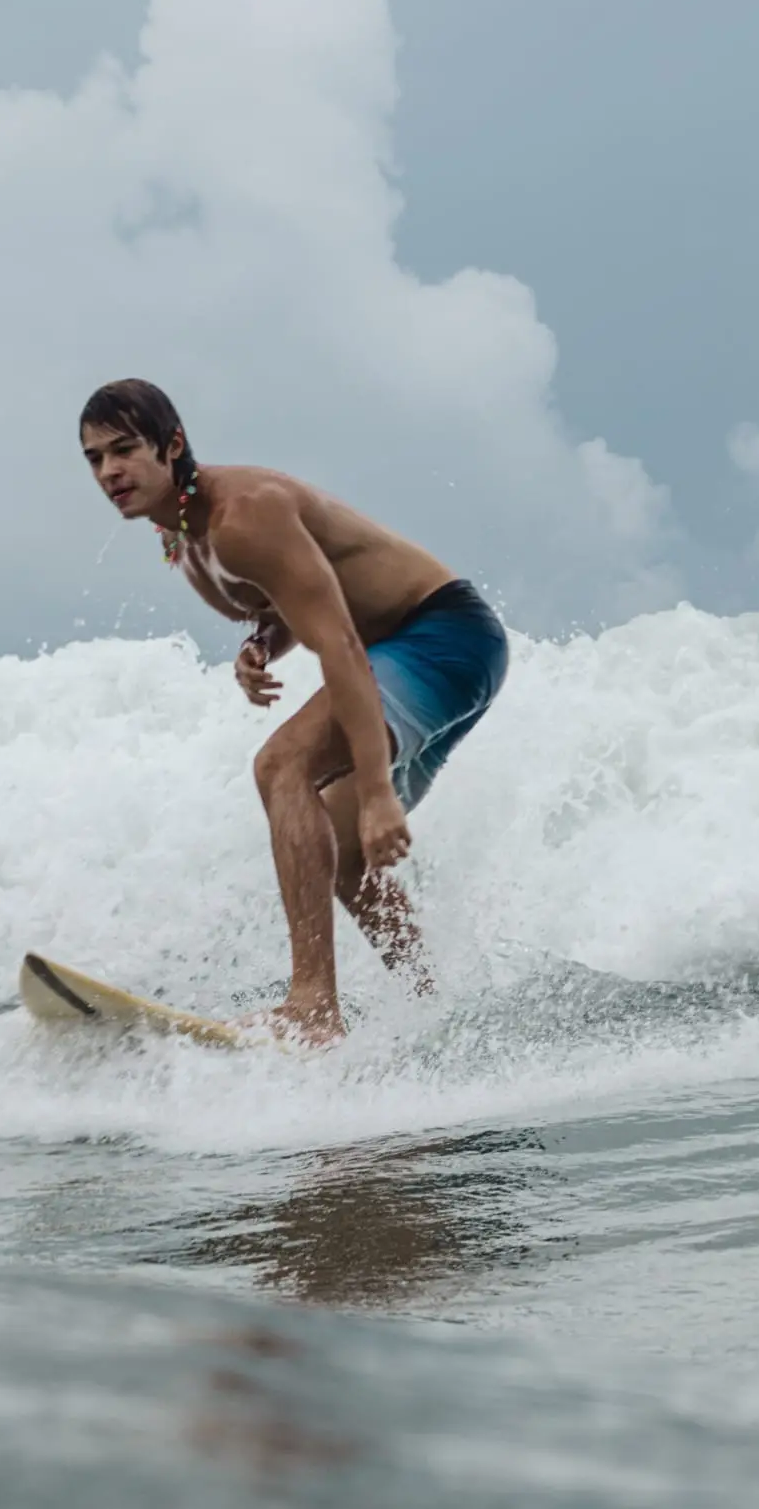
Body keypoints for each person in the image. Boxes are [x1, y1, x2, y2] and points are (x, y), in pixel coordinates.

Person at [79, 378, 508, 1045]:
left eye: (124, 450)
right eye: (95, 458)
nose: (109, 471)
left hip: (441, 637)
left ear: (172, 446)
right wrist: (259, 643)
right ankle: (439, 1009)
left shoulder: (244, 514)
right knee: (341, 857)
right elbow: (291, 601)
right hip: (415, 649)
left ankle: (312, 1006)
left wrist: (374, 792)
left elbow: (337, 641)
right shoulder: (182, 538)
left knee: (281, 764)